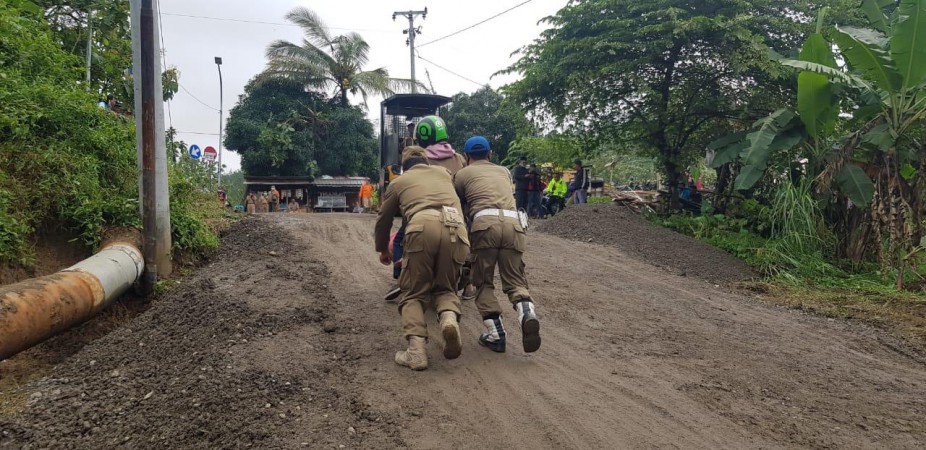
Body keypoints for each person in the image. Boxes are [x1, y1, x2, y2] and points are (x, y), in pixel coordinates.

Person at [374, 146, 470, 371]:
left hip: (422, 226)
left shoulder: (399, 182)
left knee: (413, 292)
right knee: (446, 289)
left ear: (403, 167)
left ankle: (416, 352)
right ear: (426, 162)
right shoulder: (443, 174)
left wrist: (383, 249)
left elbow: (384, 219)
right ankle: (448, 320)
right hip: (456, 228)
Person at [453, 136, 541, 354]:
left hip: (484, 225)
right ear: (490, 154)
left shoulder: (462, 174)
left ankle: (496, 334)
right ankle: (526, 312)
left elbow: (459, 207)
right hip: (514, 225)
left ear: (466, 157)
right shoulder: (504, 171)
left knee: (482, 282)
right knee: (515, 280)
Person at [386, 115, 472, 302]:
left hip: (423, 211)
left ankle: (401, 276)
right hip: (455, 212)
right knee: (466, 241)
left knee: (401, 239)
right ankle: (469, 285)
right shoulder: (458, 158)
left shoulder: (420, 158)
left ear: (423, 137)